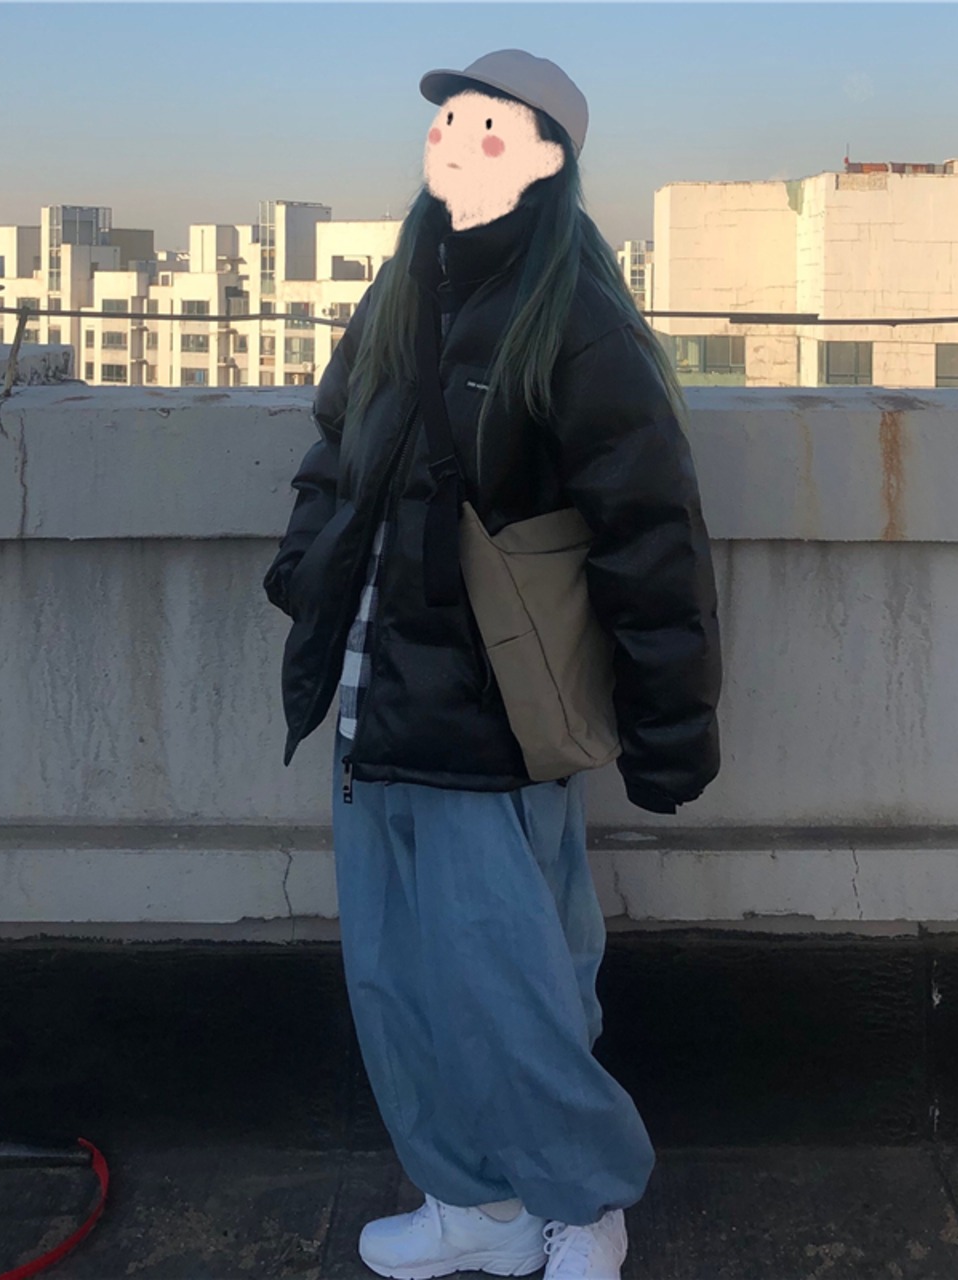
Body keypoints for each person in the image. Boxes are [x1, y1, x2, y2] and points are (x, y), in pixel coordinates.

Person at [263, 49, 721, 1280]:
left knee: (513, 986)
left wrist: (671, 731)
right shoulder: (401, 288)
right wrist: (303, 563)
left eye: (488, 127)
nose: (455, 141)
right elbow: (333, 444)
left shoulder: (573, 317)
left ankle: (582, 1201)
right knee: (394, 982)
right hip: (369, 695)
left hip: (488, 715)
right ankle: (474, 1202)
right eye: (449, 121)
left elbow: (649, 535)